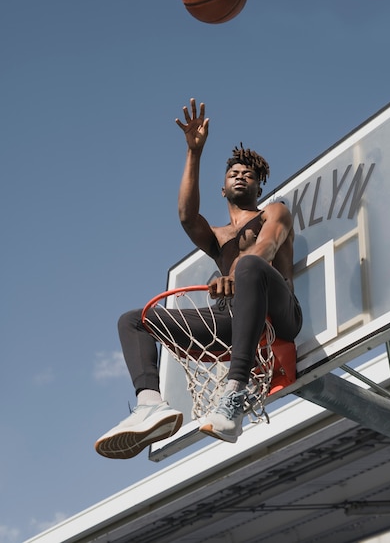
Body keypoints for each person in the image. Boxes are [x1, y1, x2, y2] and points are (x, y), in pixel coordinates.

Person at [95, 99, 302, 459]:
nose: (240, 175)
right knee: (134, 320)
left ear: (260, 186)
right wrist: (194, 152)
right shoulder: (218, 236)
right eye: (234, 173)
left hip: (280, 316)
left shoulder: (275, 211)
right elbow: (187, 217)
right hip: (233, 322)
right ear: (222, 189)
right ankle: (149, 405)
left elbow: (266, 247)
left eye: (249, 174)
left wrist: (235, 273)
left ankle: (234, 394)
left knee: (251, 267)